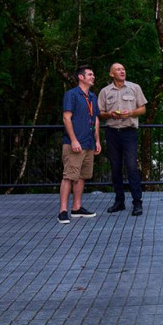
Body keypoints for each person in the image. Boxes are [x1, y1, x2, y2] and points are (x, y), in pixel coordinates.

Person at [98, 62, 148, 216]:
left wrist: (131, 113)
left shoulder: (134, 87)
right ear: (111, 74)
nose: (122, 71)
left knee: (132, 167)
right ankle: (119, 201)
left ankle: (137, 203)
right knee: (115, 168)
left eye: (123, 69)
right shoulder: (105, 91)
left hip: (129, 132)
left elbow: (143, 108)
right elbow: (100, 113)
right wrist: (110, 114)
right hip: (112, 132)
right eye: (118, 69)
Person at [58, 66, 102, 224]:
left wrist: (97, 140)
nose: (93, 77)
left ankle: (77, 207)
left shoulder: (92, 96)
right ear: (80, 77)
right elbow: (66, 118)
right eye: (90, 74)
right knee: (69, 176)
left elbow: (96, 119)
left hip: (89, 143)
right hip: (74, 143)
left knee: (82, 176)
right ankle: (63, 210)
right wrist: (74, 140)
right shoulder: (72, 95)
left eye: (93, 74)